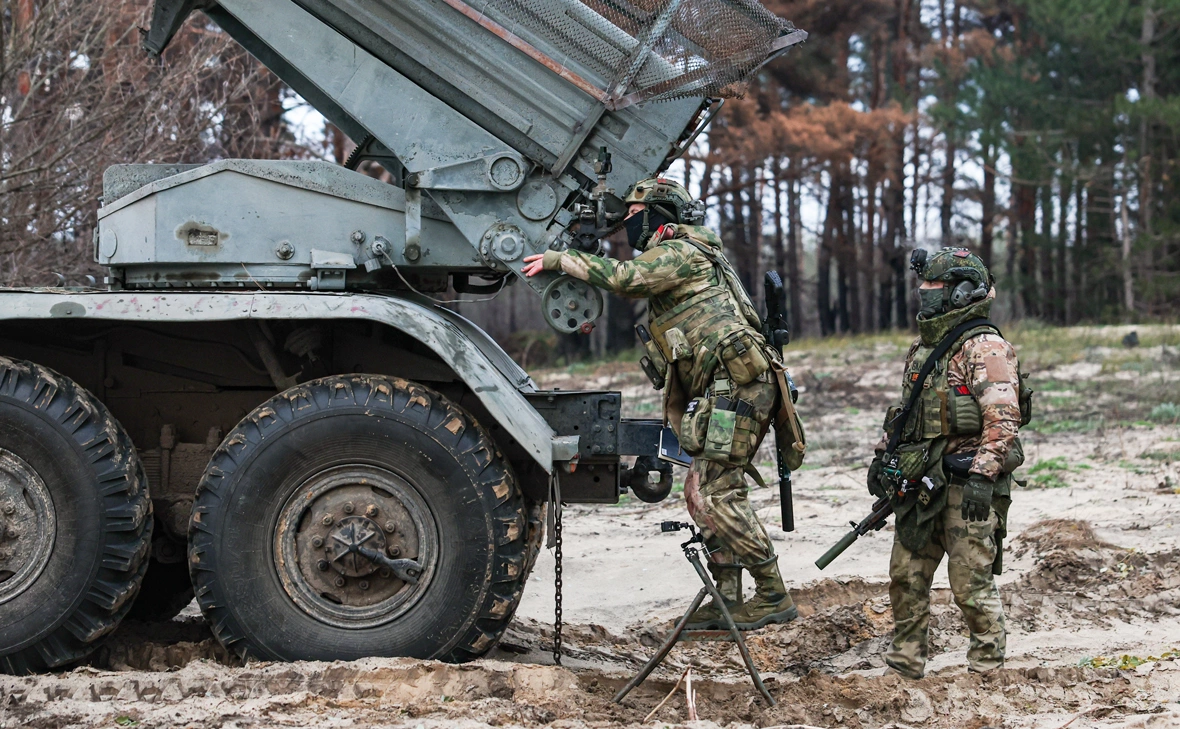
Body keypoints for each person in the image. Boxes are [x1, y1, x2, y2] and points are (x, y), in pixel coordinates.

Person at [522, 177, 797, 630]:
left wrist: (560, 260)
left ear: (659, 215)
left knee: (714, 493)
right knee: (698, 492)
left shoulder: (681, 251)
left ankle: (772, 595)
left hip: (738, 388)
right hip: (726, 389)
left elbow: (625, 278)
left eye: (635, 216)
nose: (629, 225)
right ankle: (727, 597)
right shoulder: (689, 252)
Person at [869, 246, 1025, 679]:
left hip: (965, 483)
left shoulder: (986, 347)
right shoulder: (924, 348)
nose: (924, 291)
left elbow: (1003, 419)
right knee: (906, 575)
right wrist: (883, 456)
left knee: (970, 582)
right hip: (921, 481)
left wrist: (982, 477)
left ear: (961, 292)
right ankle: (905, 663)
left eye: (933, 284)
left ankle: (987, 668)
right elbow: (906, 414)